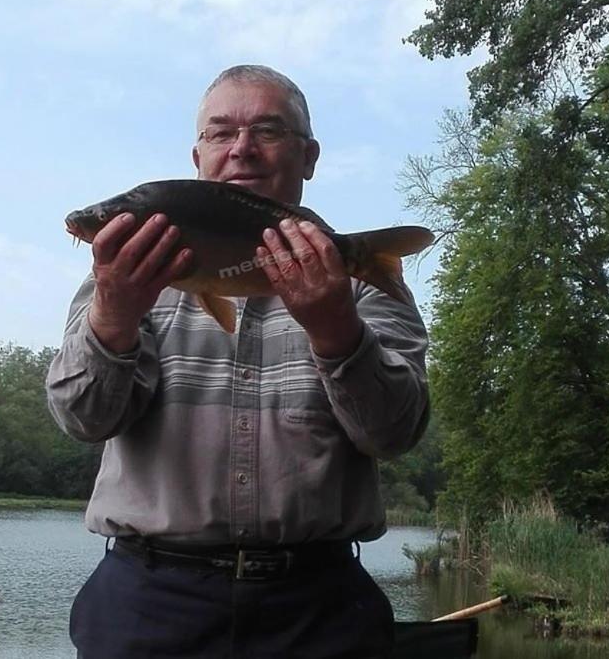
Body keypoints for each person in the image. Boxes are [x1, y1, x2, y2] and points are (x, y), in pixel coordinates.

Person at [46, 64, 430, 658]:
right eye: (222, 133)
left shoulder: (362, 288)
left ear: (309, 157)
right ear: (197, 156)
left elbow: (396, 432)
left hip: (320, 609)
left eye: (268, 132)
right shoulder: (126, 280)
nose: (242, 150)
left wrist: (335, 330)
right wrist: (115, 316)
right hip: (148, 603)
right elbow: (82, 419)